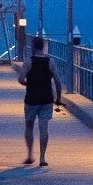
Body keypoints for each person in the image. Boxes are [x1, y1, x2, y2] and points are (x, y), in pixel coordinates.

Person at [22, 34, 61, 166]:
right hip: (46, 99)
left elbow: (21, 79)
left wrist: (29, 84)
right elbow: (57, 81)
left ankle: (29, 155)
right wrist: (58, 99)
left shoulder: (28, 61)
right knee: (44, 128)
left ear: (33, 46)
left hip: (31, 99)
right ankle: (42, 158)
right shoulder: (50, 62)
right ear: (43, 46)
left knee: (29, 125)